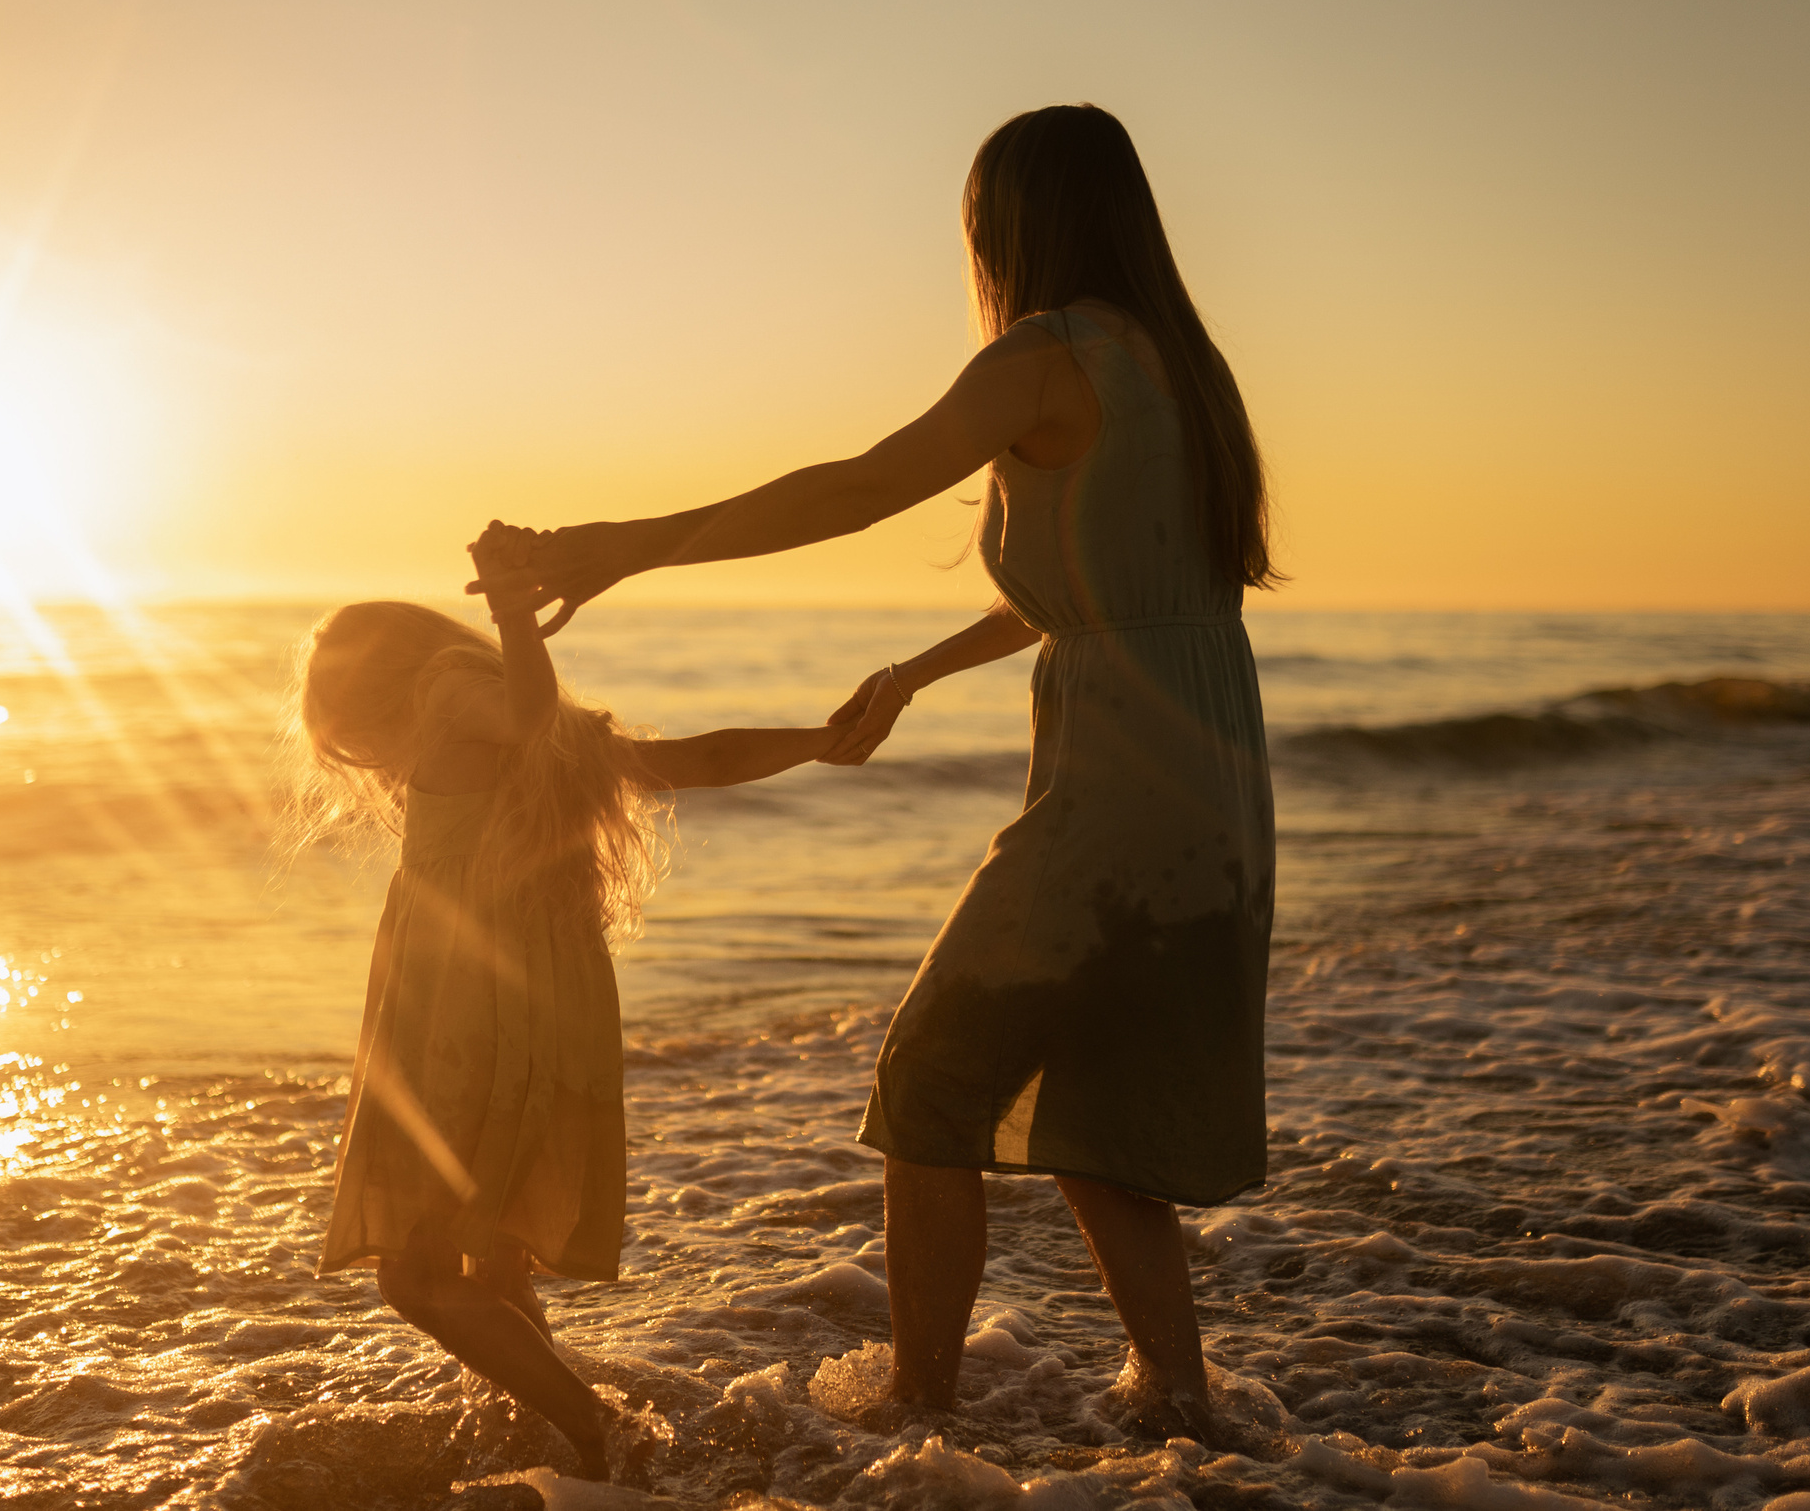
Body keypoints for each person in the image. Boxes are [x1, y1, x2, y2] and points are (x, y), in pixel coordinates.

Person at [468, 104, 1280, 1440]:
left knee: (925, 1086)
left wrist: (627, 543)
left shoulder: (1043, 354)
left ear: (1011, 224)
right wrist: (918, 670)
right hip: (1210, 773)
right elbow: (1112, 588)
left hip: (1120, 786)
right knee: (1099, 1103)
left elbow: (851, 489)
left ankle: (919, 1414)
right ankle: (1183, 1403)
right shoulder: (1183, 371)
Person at [298, 523, 844, 1479]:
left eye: (353, 733)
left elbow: (522, 708)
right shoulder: (534, 742)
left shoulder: (451, 695)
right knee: (492, 1256)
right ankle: (561, 1437)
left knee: (416, 1276)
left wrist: (514, 610)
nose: (369, 759)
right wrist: (828, 739)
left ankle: (597, 1432)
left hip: (464, 1019)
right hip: (538, 1005)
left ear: (378, 688)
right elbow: (705, 759)